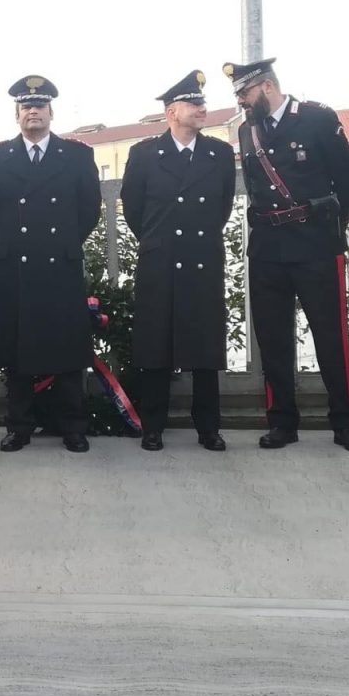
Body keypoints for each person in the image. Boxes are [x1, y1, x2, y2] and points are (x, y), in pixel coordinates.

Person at [226, 57, 349, 452]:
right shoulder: (246, 131)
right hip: (268, 247)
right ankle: (282, 422)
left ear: (267, 87)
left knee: (331, 337)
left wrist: (330, 226)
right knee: (273, 341)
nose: (240, 100)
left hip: (316, 246)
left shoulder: (317, 118)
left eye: (244, 92)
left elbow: (348, 177)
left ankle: (345, 423)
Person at [0, 75, 102, 453]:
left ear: (51, 112)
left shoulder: (78, 156)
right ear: (16, 115)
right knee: (17, 351)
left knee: (67, 349)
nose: (34, 111)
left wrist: (62, 241)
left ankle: (72, 426)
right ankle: (19, 426)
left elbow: (88, 211)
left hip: (59, 263)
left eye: (40, 106)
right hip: (16, 263)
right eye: (26, 106)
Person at [121, 70, 236, 452]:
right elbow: (135, 210)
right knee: (155, 347)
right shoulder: (144, 154)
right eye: (194, 103)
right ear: (172, 112)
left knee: (205, 349)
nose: (202, 109)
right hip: (160, 261)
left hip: (202, 259)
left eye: (202, 102)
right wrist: (158, 242)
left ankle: (209, 428)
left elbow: (222, 207)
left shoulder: (218, 154)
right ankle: (152, 426)